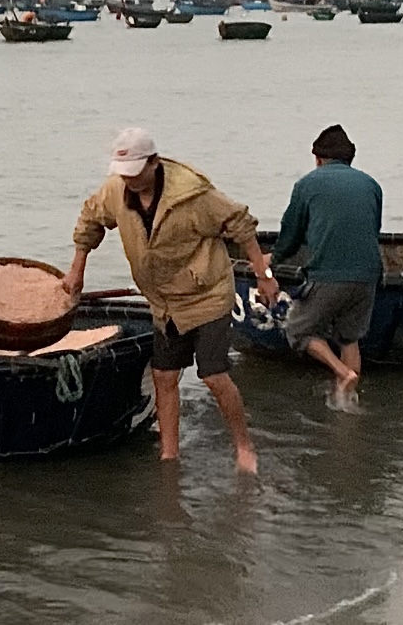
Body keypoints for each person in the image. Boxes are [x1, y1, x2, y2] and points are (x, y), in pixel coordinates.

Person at [62, 128, 278, 475]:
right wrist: (77, 270)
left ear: (153, 163)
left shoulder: (192, 194)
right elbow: (90, 220)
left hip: (205, 294)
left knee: (213, 375)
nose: (129, 181)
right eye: (123, 174)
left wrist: (263, 276)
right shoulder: (117, 191)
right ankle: (169, 454)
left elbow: (240, 223)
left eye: (135, 173)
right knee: (163, 375)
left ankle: (243, 445)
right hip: (164, 302)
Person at [270, 125, 383, 414]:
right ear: (349, 160)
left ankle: (342, 373)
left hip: (330, 275)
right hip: (368, 274)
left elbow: (291, 234)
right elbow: (373, 229)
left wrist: (275, 258)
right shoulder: (371, 185)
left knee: (298, 331)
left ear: (318, 158)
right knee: (349, 337)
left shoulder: (307, 184)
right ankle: (347, 400)